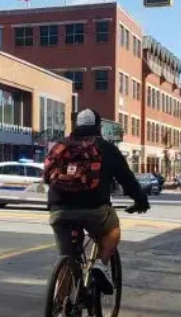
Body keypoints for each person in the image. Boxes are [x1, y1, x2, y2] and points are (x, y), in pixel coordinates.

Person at [44, 108, 149, 305]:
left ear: (77, 127)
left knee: (66, 258)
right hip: (95, 211)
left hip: (59, 211)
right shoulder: (107, 149)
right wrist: (140, 201)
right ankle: (100, 265)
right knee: (113, 231)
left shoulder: (60, 147)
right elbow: (127, 180)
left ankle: (60, 314)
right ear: (98, 127)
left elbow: (47, 176)